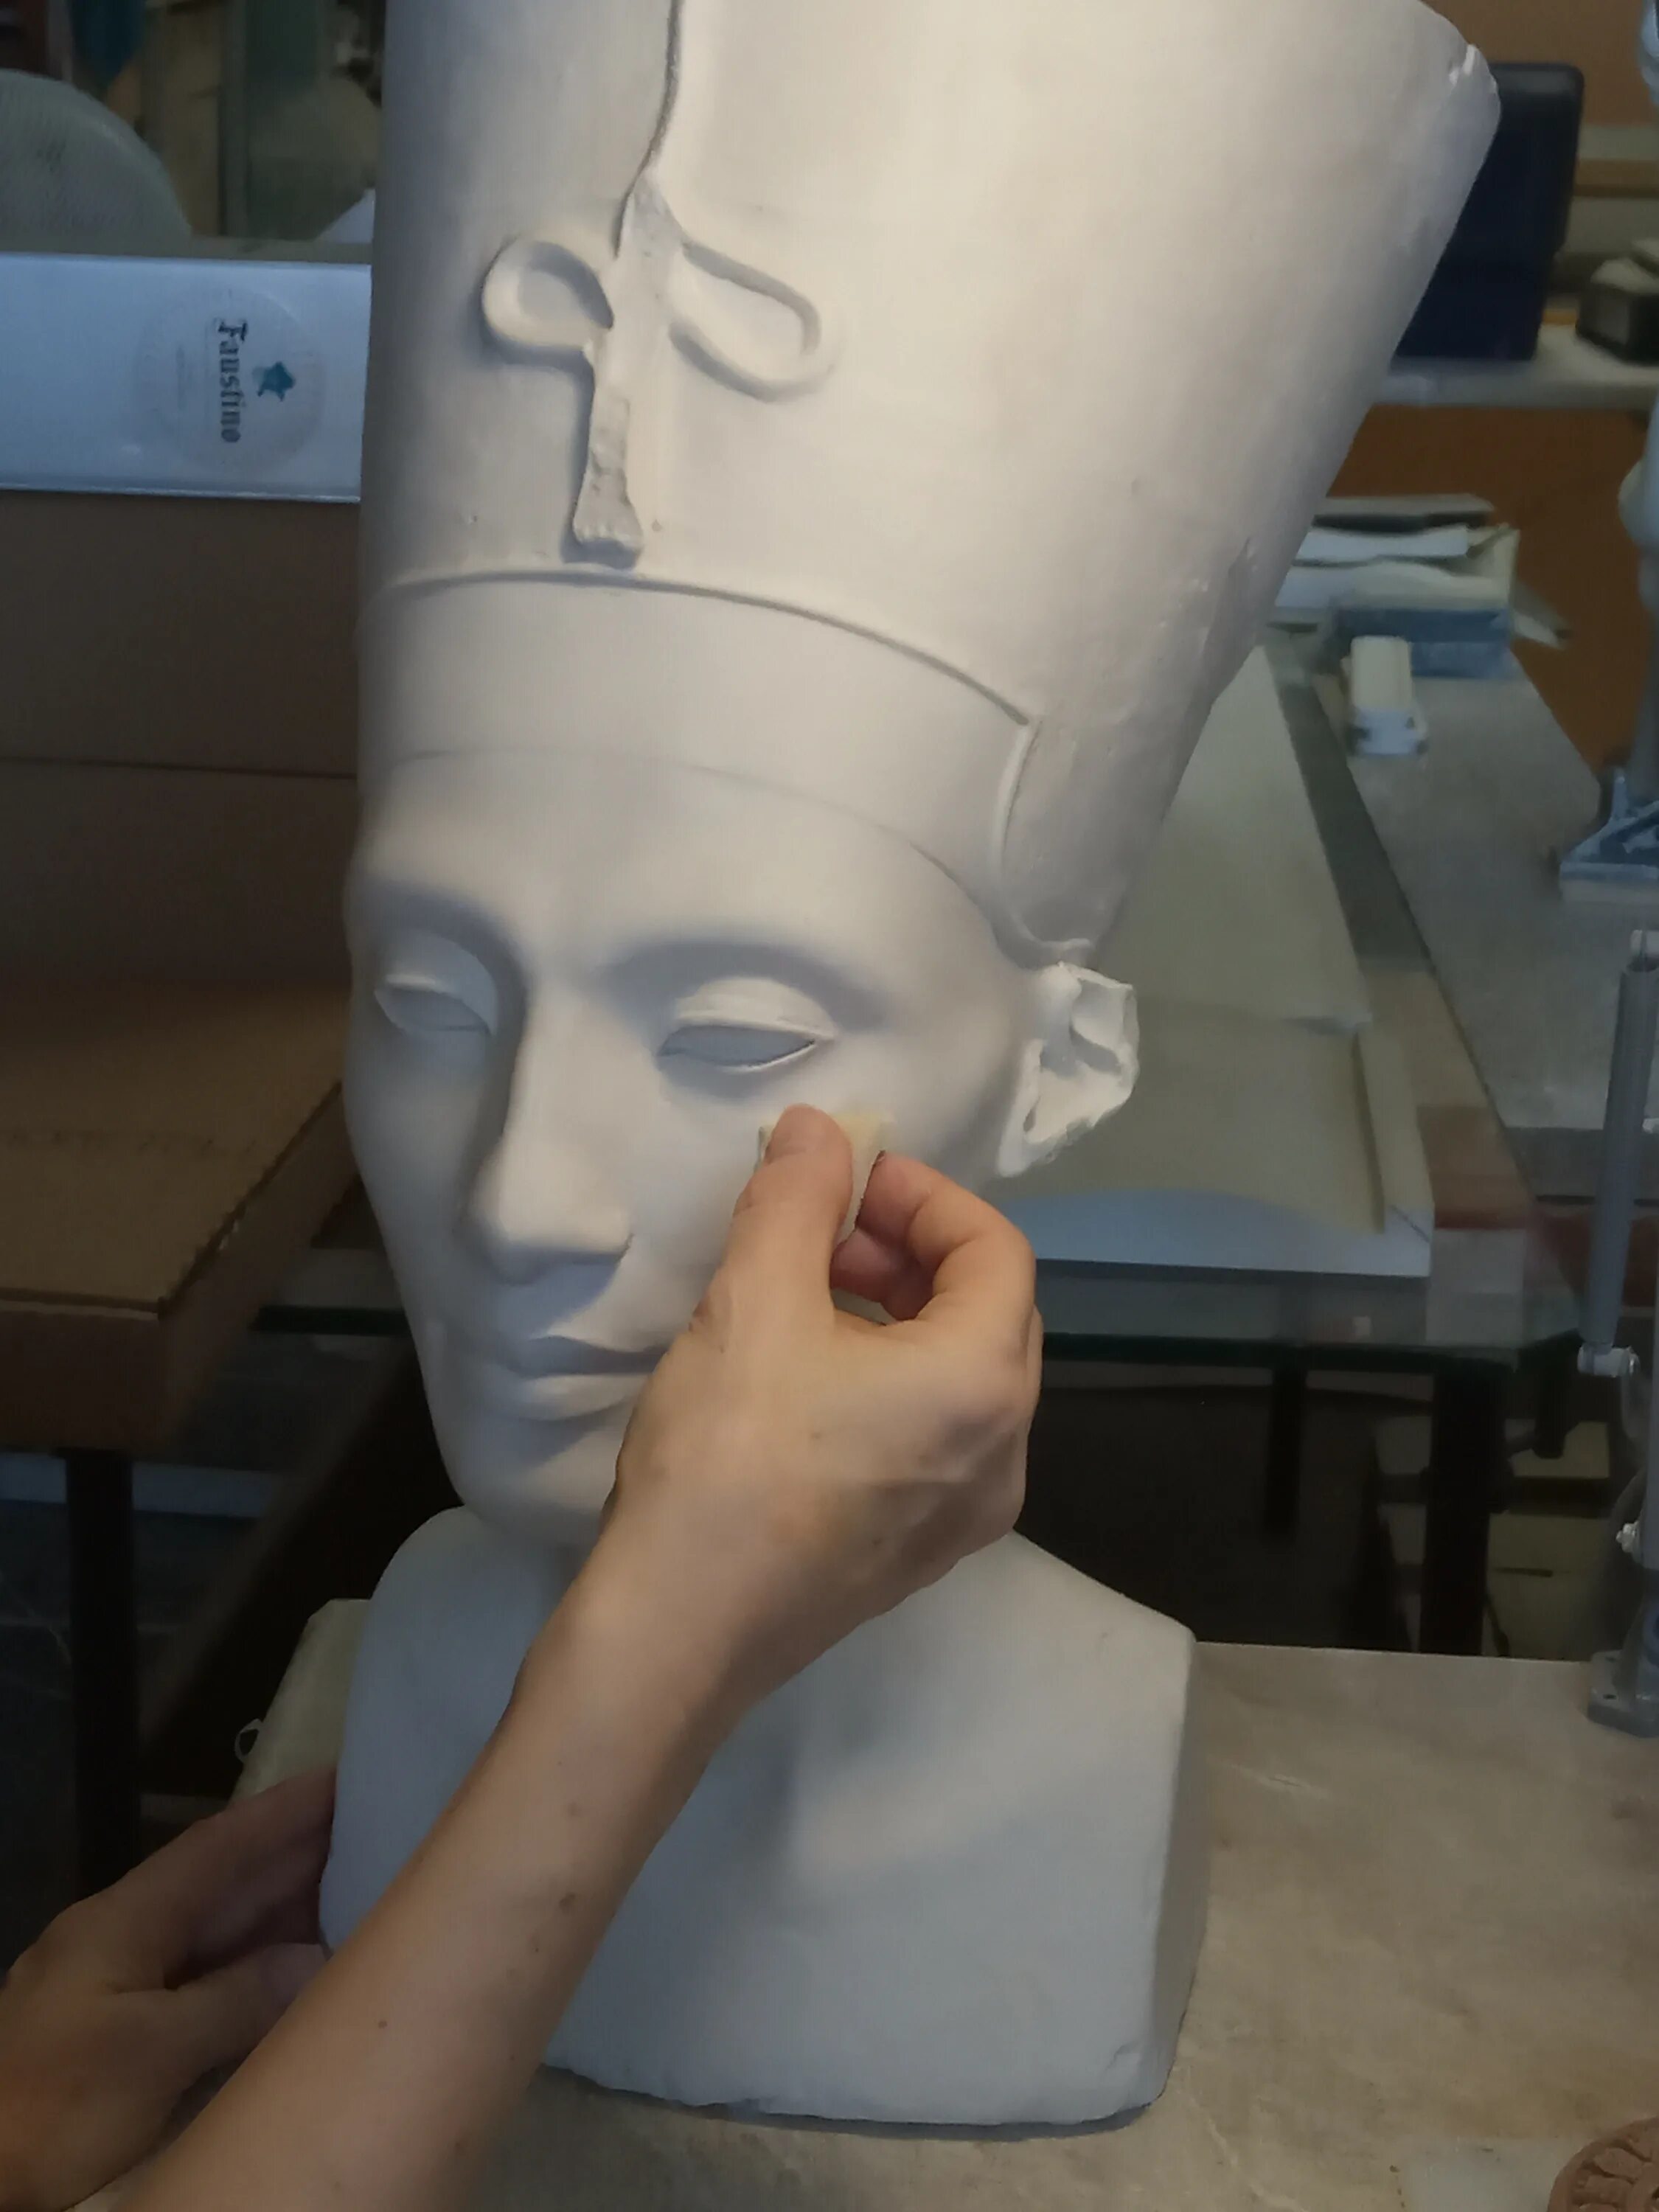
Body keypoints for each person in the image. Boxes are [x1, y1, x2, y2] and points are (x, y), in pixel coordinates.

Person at [0, 1107, 1040, 2212]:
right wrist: (671, 1634)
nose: (513, 1208)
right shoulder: (418, 1626)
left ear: (1055, 1070)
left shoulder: (1075, 1755)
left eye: (737, 1042)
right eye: (436, 1020)